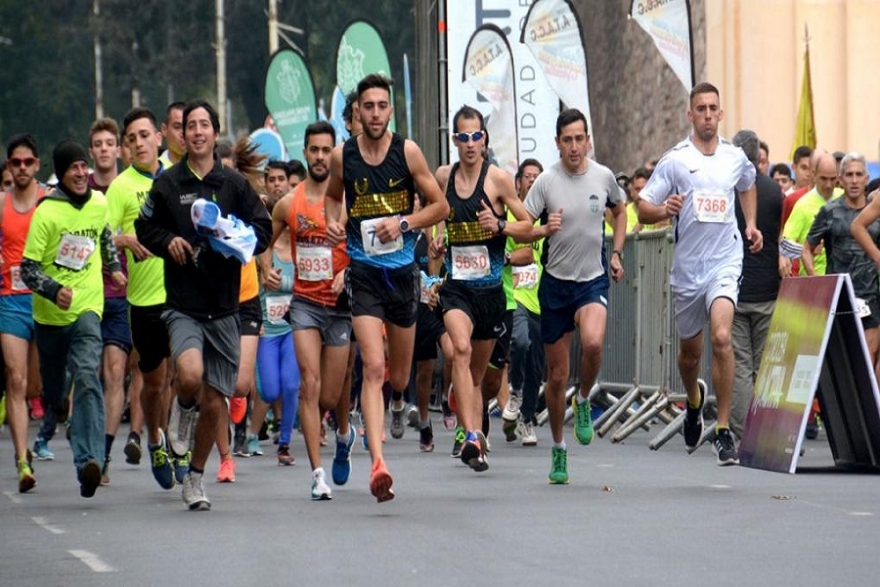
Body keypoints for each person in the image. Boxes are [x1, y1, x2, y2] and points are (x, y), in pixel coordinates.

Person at [135, 99, 272, 511]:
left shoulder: (233, 184)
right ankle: (182, 406)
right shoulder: (167, 183)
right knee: (190, 374)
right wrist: (168, 242)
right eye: (189, 126)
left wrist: (233, 236)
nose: (196, 132)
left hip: (226, 307)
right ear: (180, 134)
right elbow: (145, 226)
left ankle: (195, 478)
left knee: (218, 402)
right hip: (183, 304)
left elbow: (263, 231)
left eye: (204, 125)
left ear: (215, 132)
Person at [325, 74, 449, 502]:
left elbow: (441, 206)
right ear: (357, 111)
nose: (375, 113)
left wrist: (403, 223)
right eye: (368, 106)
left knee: (398, 377)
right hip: (364, 273)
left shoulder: (407, 151)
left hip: (401, 275)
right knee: (372, 368)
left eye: (382, 106)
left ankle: (394, 405)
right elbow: (332, 198)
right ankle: (378, 462)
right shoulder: (345, 156)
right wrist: (335, 221)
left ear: (390, 111)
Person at [637, 82, 760, 467]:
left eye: (713, 108)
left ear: (721, 114)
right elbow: (643, 208)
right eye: (700, 109)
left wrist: (751, 224)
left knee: (722, 337)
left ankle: (723, 431)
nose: (707, 115)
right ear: (690, 115)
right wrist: (665, 209)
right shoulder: (675, 160)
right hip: (688, 270)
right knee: (690, 356)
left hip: (725, 261)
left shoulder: (735, 157)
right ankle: (693, 401)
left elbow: (748, 184)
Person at [524, 108, 626, 484]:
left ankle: (582, 399)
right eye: (567, 139)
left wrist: (616, 252)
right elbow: (523, 224)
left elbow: (620, 210)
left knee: (595, 342)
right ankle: (558, 449)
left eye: (579, 138)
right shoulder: (546, 182)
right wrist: (541, 230)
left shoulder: (603, 176)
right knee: (555, 376)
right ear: (557, 143)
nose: (574, 146)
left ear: (588, 140)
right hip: (555, 284)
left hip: (591, 279)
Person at [21, 139, 127, 498]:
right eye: (74, 168)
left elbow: (106, 237)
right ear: (62, 174)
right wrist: (54, 290)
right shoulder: (46, 213)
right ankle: (58, 406)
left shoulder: (98, 202)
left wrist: (113, 268)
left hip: (86, 306)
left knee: (86, 375)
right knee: (53, 393)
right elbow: (28, 269)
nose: (82, 173)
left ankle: (90, 463)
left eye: (84, 166)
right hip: (50, 317)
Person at [431, 105, 534, 473]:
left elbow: (529, 227)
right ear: (454, 140)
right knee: (458, 349)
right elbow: (434, 211)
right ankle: (472, 435)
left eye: (477, 136)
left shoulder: (499, 181)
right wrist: (437, 239)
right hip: (457, 287)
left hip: (491, 292)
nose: (470, 143)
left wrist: (500, 225)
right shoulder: (443, 176)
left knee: (476, 379)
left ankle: (471, 432)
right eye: (463, 137)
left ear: (484, 140)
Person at [268, 121, 355, 500]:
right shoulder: (290, 203)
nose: (320, 157)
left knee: (329, 396)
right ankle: (317, 474)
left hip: (338, 306)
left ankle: (343, 433)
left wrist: (347, 272)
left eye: (326, 150)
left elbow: (367, 248)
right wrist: (265, 268)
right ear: (304, 152)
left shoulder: (349, 201)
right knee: (309, 384)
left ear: (334, 154)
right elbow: (262, 241)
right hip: (304, 304)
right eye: (314, 150)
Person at [107, 106, 178, 489]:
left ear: (159, 137)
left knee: (185, 377)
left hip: (182, 297)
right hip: (143, 301)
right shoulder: (120, 187)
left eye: (144, 135)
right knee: (154, 383)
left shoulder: (175, 179)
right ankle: (155, 440)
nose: (139, 142)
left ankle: (176, 440)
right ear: (127, 147)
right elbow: (98, 233)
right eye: (131, 138)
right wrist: (123, 239)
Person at [729, 130, 784, 439]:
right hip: (767, 290)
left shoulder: (728, 188)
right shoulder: (775, 191)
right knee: (765, 367)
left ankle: (741, 433)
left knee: (739, 366)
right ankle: (766, 434)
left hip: (736, 288)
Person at [1, 134, 45, 492]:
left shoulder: (48, 202)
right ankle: (22, 460)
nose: (21, 168)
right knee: (14, 380)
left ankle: (40, 422)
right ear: (8, 167)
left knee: (34, 386)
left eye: (27, 162)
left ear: (37, 164)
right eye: (15, 163)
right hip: (10, 300)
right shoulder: (0, 204)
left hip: (43, 301)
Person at [88, 117, 130, 486]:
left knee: (114, 374)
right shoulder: (79, 190)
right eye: (97, 144)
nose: (104, 149)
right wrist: (121, 241)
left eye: (109, 143)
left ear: (119, 149)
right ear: (91, 152)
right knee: (89, 377)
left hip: (121, 297)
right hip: (85, 298)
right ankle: (85, 443)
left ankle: (103, 453)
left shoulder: (127, 187)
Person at [809, 153, 880, 364]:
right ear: (841, 179)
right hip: (839, 297)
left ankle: (869, 398)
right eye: (849, 175)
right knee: (842, 362)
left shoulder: (875, 212)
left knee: (867, 362)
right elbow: (807, 247)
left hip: (870, 297)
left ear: (867, 178)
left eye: (859, 174)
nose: (854, 180)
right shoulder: (829, 211)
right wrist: (815, 278)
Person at [504, 158, 544, 447]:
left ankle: (526, 419)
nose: (531, 181)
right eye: (527, 176)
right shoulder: (508, 215)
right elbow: (514, 254)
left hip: (541, 298)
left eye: (536, 177)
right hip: (514, 293)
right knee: (520, 343)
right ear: (518, 183)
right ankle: (514, 391)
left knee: (536, 365)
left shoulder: (549, 217)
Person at [779, 152, 840, 277]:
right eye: (823, 178)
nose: (828, 184)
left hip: (841, 278)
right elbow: (785, 244)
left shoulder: (843, 197)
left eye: (833, 179)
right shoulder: (802, 205)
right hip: (812, 280)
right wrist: (806, 249)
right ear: (814, 175)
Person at [159, 102, 185, 168]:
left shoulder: (204, 169)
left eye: (188, 127)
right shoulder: (156, 171)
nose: (183, 133)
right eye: (177, 127)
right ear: (164, 129)